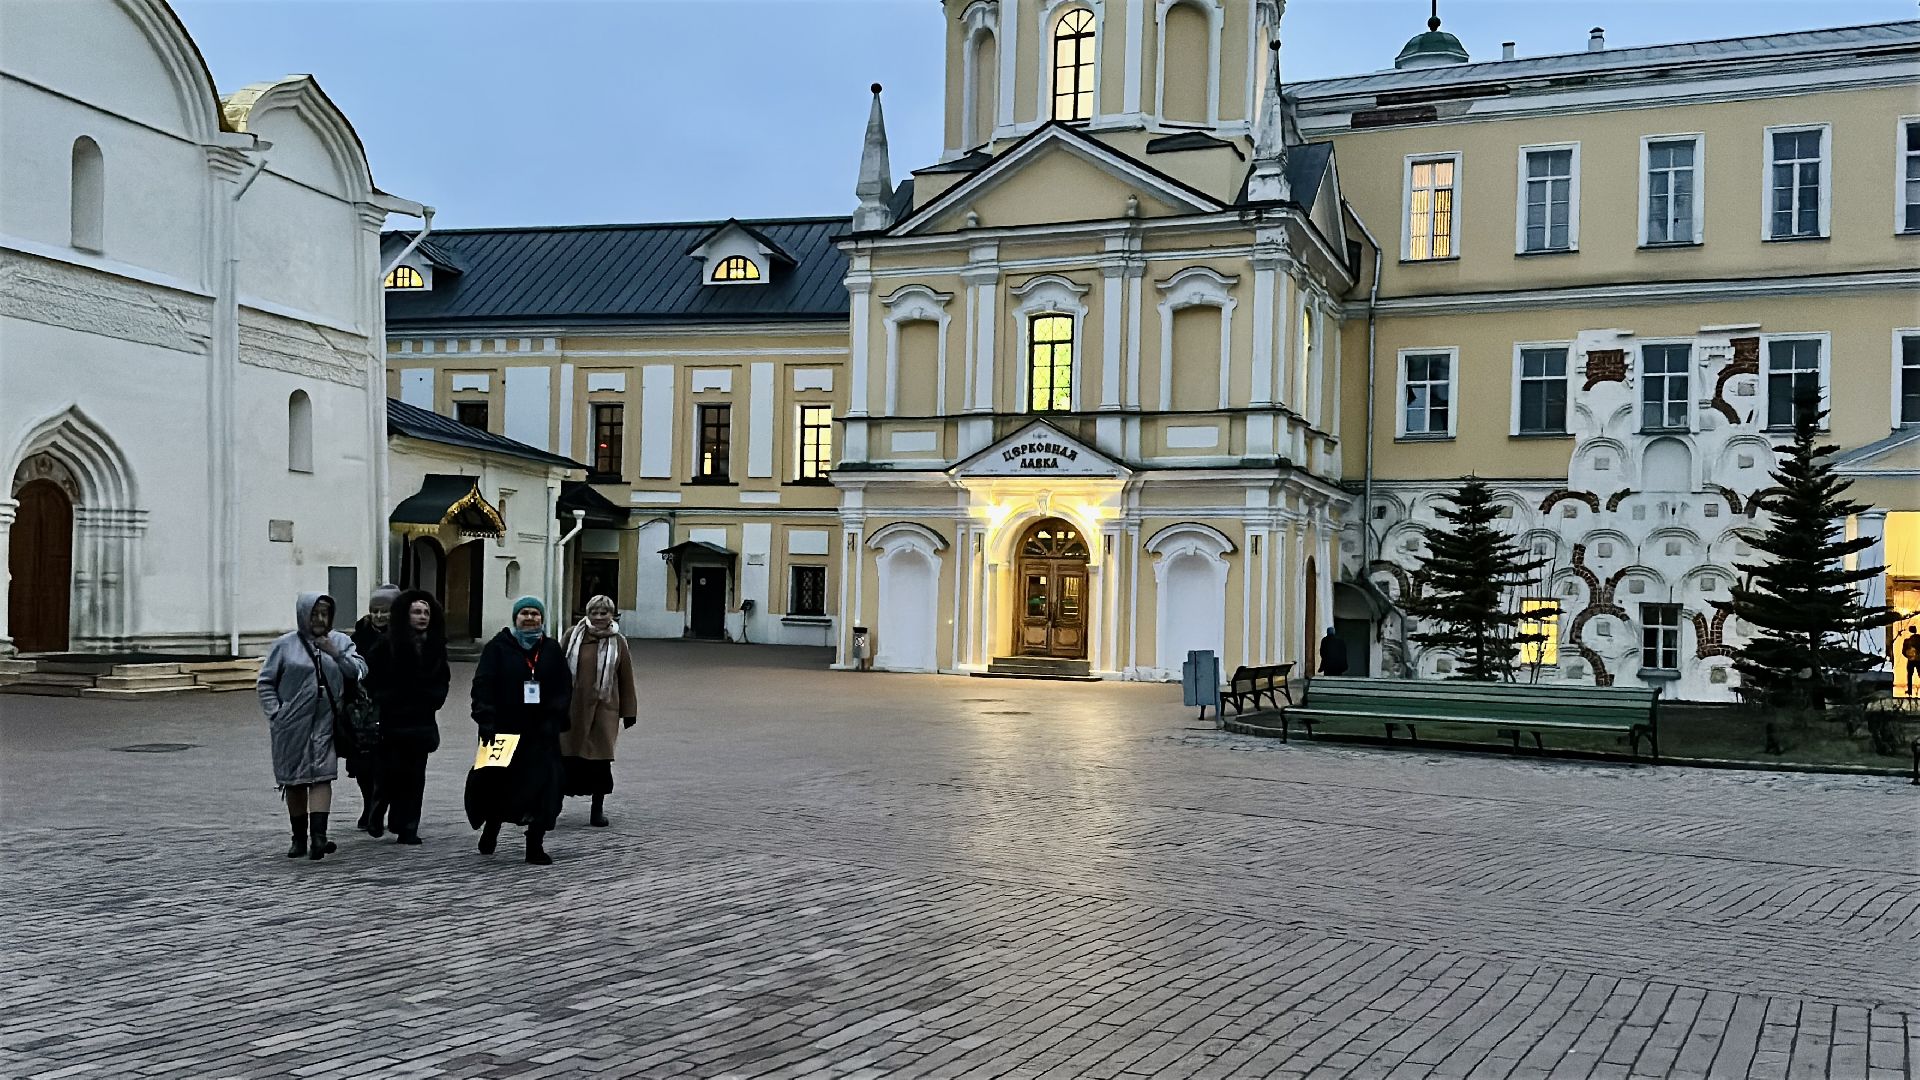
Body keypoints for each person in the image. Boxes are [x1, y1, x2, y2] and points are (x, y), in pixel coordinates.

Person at [256, 592, 366, 861]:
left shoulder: (340, 641)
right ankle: (299, 837)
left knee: (322, 774)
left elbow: (359, 671)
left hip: (327, 720)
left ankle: (319, 836)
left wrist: (336, 654)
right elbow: (266, 682)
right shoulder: (285, 646)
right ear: (303, 615)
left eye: (324, 614)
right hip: (291, 723)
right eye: (314, 613)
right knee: (294, 779)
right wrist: (277, 713)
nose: (319, 619)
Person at [466, 596, 572, 865]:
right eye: (524, 613)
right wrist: (485, 718)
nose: (529, 618)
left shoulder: (550, 649)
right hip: (502, 731)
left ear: (542, 619)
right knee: (495, 784)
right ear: (515, 618)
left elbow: (563, 686)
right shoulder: (498, 648)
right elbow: (483, 684)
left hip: (540, 734)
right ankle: (492, 827)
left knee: (545, 788)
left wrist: (555, 716)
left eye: (535, 614)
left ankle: (534, 843)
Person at [366, 590, 449, 845]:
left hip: (421, 720)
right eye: (417, 612)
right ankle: (378, 809)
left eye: (426, 612)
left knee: (415, 776)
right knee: (389, 774)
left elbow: (442, 680)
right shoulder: (386, 644)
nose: (423, 617)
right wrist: (389, 699)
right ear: (405, 614)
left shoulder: (435, 646)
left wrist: (432, 699)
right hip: (392, 721)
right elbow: (371, 680)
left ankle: (408, 827)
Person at [558, 595, 638, 828]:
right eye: (595, 612)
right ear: (587, 613)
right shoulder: (572, 636)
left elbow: (625, 678)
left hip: (604, 710)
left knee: (599, 762)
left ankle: (597, 810)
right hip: (572, 708)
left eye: (604, 613)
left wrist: (629, 711)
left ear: (612, 615)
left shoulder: (618, 641)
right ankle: (554, 805)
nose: (599, 617)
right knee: (565, 759)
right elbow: (556, 668)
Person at [347, 584, 400, 836]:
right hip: (363, 708)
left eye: (385, 611)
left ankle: (382, 806)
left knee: (388, 764)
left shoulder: (403, 636)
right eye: (375, 611)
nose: (379, 616)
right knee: (362, 763)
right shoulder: (359, 637)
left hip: (392, 708)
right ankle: (369, 804)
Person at [1903, 629, 1920, 697]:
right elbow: (1904, 652)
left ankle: (1909, 691)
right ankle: (1909, 691)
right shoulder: (1917, 640)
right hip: (1918, 660)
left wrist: (1909, 656)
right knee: (1911, 675)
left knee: (1909, 675)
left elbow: (1904, 652)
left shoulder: (1907, 641)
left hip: (1912, 660)